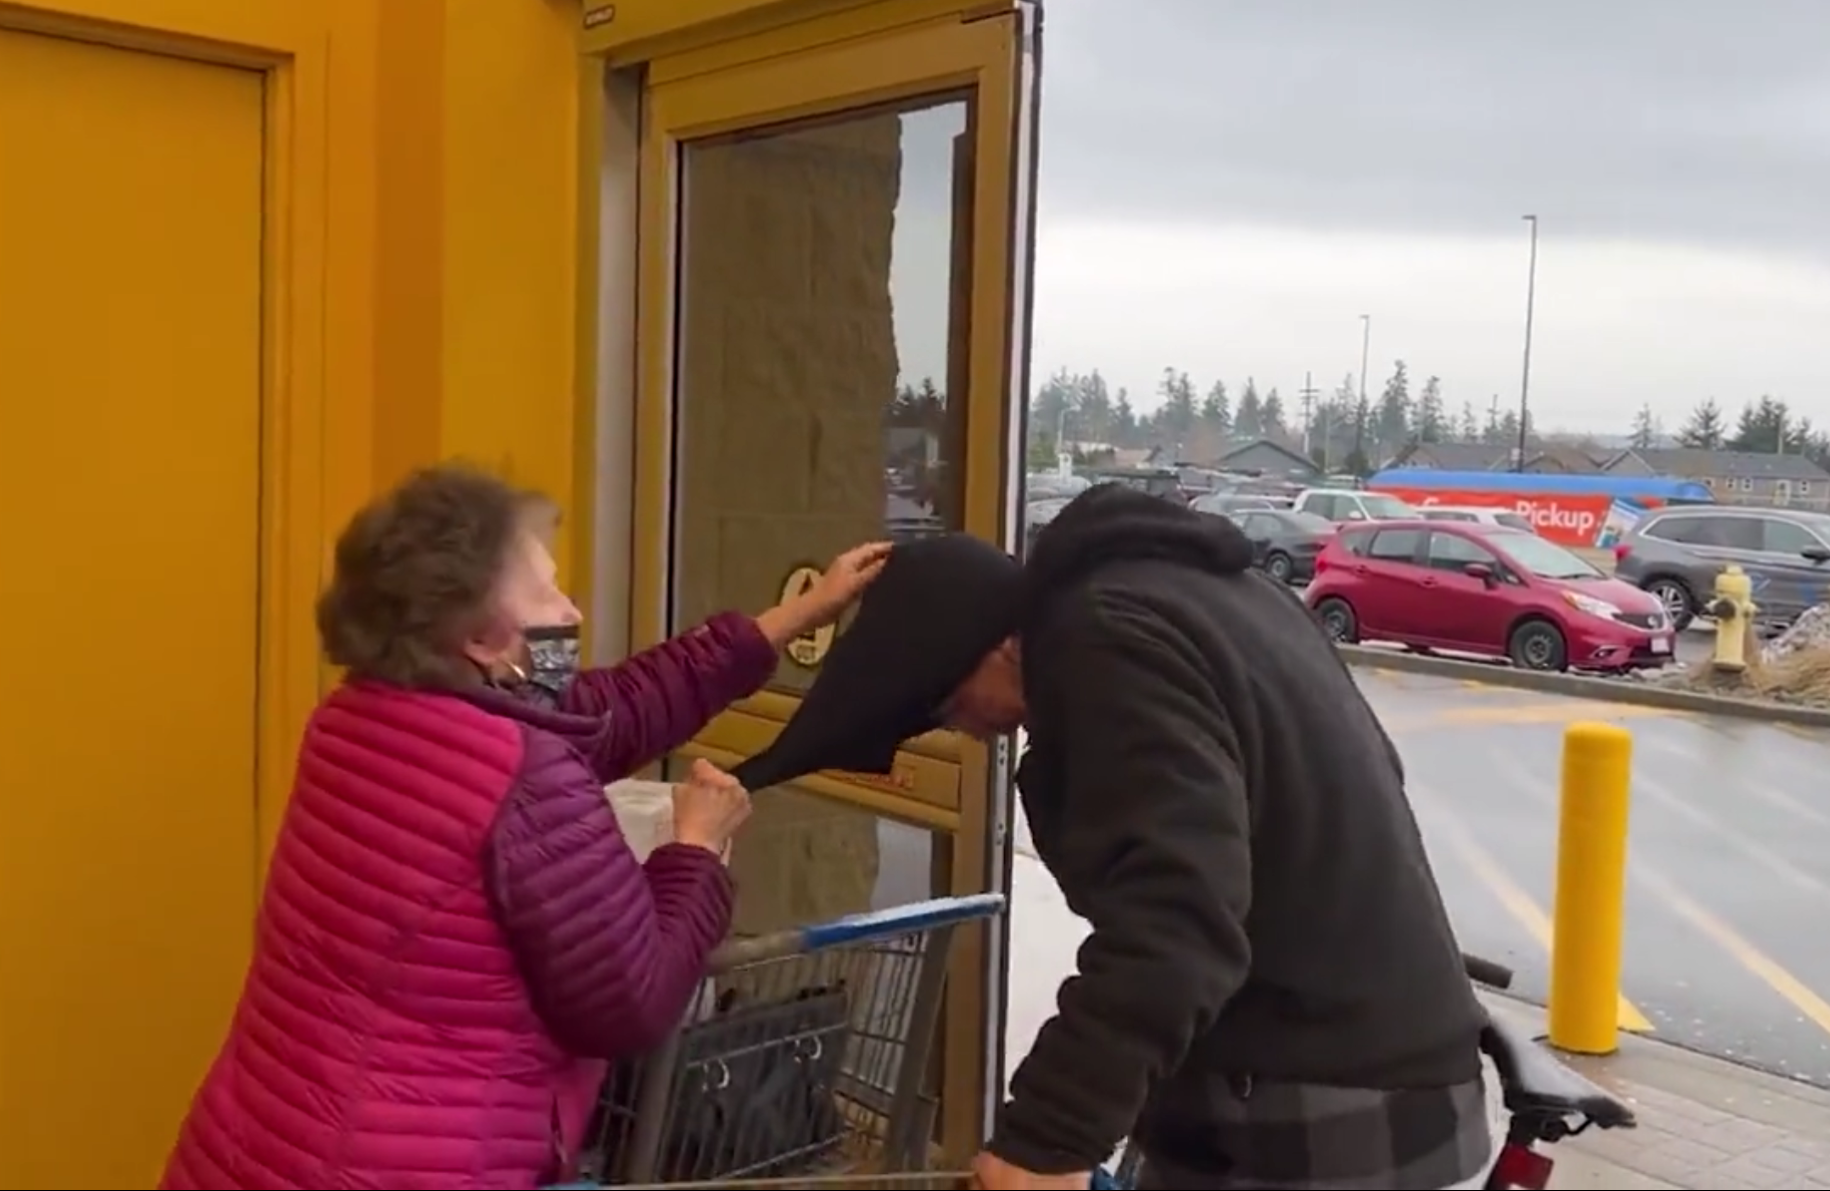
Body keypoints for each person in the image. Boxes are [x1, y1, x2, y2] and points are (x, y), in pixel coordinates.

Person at [157, 463, 888, 1191]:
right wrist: (694, 849)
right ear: (479, 635)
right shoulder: (525, 778)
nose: (570, 612)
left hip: (256, 1142)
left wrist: (790, 618)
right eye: (544, 592)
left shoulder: (360, 717)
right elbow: (631, 1001)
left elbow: (606, 711)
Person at [749, 484, 1491, 1191]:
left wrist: (1045, 1139)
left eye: (946, 704)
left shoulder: (1102, 639)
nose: (964, 730)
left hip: (1317, 1091)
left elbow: (1175, 927)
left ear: (996, 644)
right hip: (1378, 1056)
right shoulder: (1198, 593)